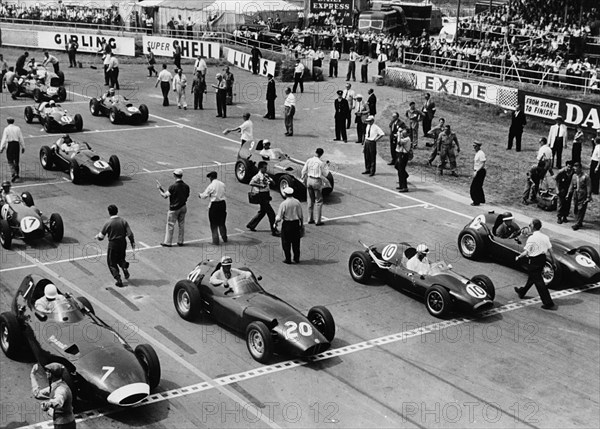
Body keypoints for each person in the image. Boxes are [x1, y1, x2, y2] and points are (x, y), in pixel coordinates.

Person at [514, 219, 556, 310]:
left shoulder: (532, 238)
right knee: (533, 277)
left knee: (539, 282)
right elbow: (551, 251)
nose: (529, 226)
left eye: (530, 225)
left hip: (534, 261)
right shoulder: (545, 237)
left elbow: (526, 252)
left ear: (533, 227)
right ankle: (522, 291)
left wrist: (519, 257)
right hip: (542, 259)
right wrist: (553, 262)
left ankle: (548, 302)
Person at [95, 205, 135, 287]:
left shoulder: (108, 223)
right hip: (123, 243)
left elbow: (101, 237)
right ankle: (124, 266)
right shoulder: (123, 221)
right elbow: (130, 234)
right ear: (117, 211)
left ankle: (118, 279)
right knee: (121, 258)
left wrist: (97, 237)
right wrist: (132, 242)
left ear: (109, 212)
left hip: (113, 244)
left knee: (111, 262)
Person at [30, 362, 76, 429]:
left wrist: (48, 404)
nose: (46, 373)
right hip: (61, 423)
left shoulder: (61, 389)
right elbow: (37, 394)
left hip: (64, 425)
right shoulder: (55, 386)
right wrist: (32, 375)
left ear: (52, 374)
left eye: (48, 371)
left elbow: (58, 402)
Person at [157, 169, 190, 247]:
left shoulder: (173, 186)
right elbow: (187, 195)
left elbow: (165, 195)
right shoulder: (186, 186)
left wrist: (159, 189)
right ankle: (180, 241)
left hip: (174, 208)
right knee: (181, 224)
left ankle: (168, 242)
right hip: (183, 206)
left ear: (174, 175)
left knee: (170, 225)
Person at [247, 161, 279, 236]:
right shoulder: (258, 176)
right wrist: (260, 186)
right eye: (264, 168)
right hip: (262, 195)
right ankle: (273, 230)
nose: (266, 169)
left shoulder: (266, 175)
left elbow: (272, 182)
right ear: (260, 168)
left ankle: (251, 224)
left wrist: (271, 181)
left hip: (266, 195)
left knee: (262, 212)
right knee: (271, 214)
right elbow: (251, 183)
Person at [273, 187, 304, 264]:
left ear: (286, 194)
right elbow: (301, 215)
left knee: (286, 242)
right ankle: (296, 258)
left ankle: (288, 259)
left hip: (287, 225)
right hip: (296, 224)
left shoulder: (283, 204)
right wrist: (301, 224)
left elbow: (279, 217)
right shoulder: (297, 202)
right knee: (296, 242)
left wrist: (275, 223)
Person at [302, 148, 329, 226]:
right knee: (319, 201)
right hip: (316, 181)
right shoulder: (321, 163)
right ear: (321, 154)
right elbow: (326, 174)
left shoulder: (309, 160)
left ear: (315, 152)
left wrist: (303, 179)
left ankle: (310, 218)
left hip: (309, 179)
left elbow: (303, 171)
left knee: (310, 199)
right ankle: (318, 220)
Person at [199, 171, 227, 245]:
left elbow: (204, 195)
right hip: (222, 204)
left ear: (211, 177)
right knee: (222, 222)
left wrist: (200, 195)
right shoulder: (222, 184)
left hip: (214, 205)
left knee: (214, 224)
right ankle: (224, 237)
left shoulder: (211, 186)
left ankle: (215, 240)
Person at [567, 162, 592, 230]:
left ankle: (577, 223)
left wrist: (588, 196)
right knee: (576, 208)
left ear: (580, 169)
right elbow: (571, 185)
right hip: (576, 194)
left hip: (583, 194)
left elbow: (588, 186)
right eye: (574, 169)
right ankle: (579, 221)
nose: (575, 170)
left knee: (581, 209)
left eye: (576, 169)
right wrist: (568, 193)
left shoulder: (585, 176)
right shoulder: (574, 176)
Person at [0, 117, 25, 182]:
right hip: (16, 145)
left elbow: (4, 139)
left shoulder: (6, 129)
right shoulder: (17, 128)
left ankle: (14, 173)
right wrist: (23, 147)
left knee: (10, 160)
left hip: (10, 145)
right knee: (16, 160)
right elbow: (21, 138)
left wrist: (1, 148)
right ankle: (17, 173)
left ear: (7, 122)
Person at [470, 141, 486, 206]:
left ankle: (476, 201)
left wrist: (476, 171)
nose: (474, 148)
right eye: (474, 146)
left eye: (475, 146)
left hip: (480, 171)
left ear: (478, 147)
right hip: (478, 170)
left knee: (474, 187)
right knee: (479, 186)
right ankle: (481, 199)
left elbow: (482, 163)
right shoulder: (477, 153)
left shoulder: (481, 153)